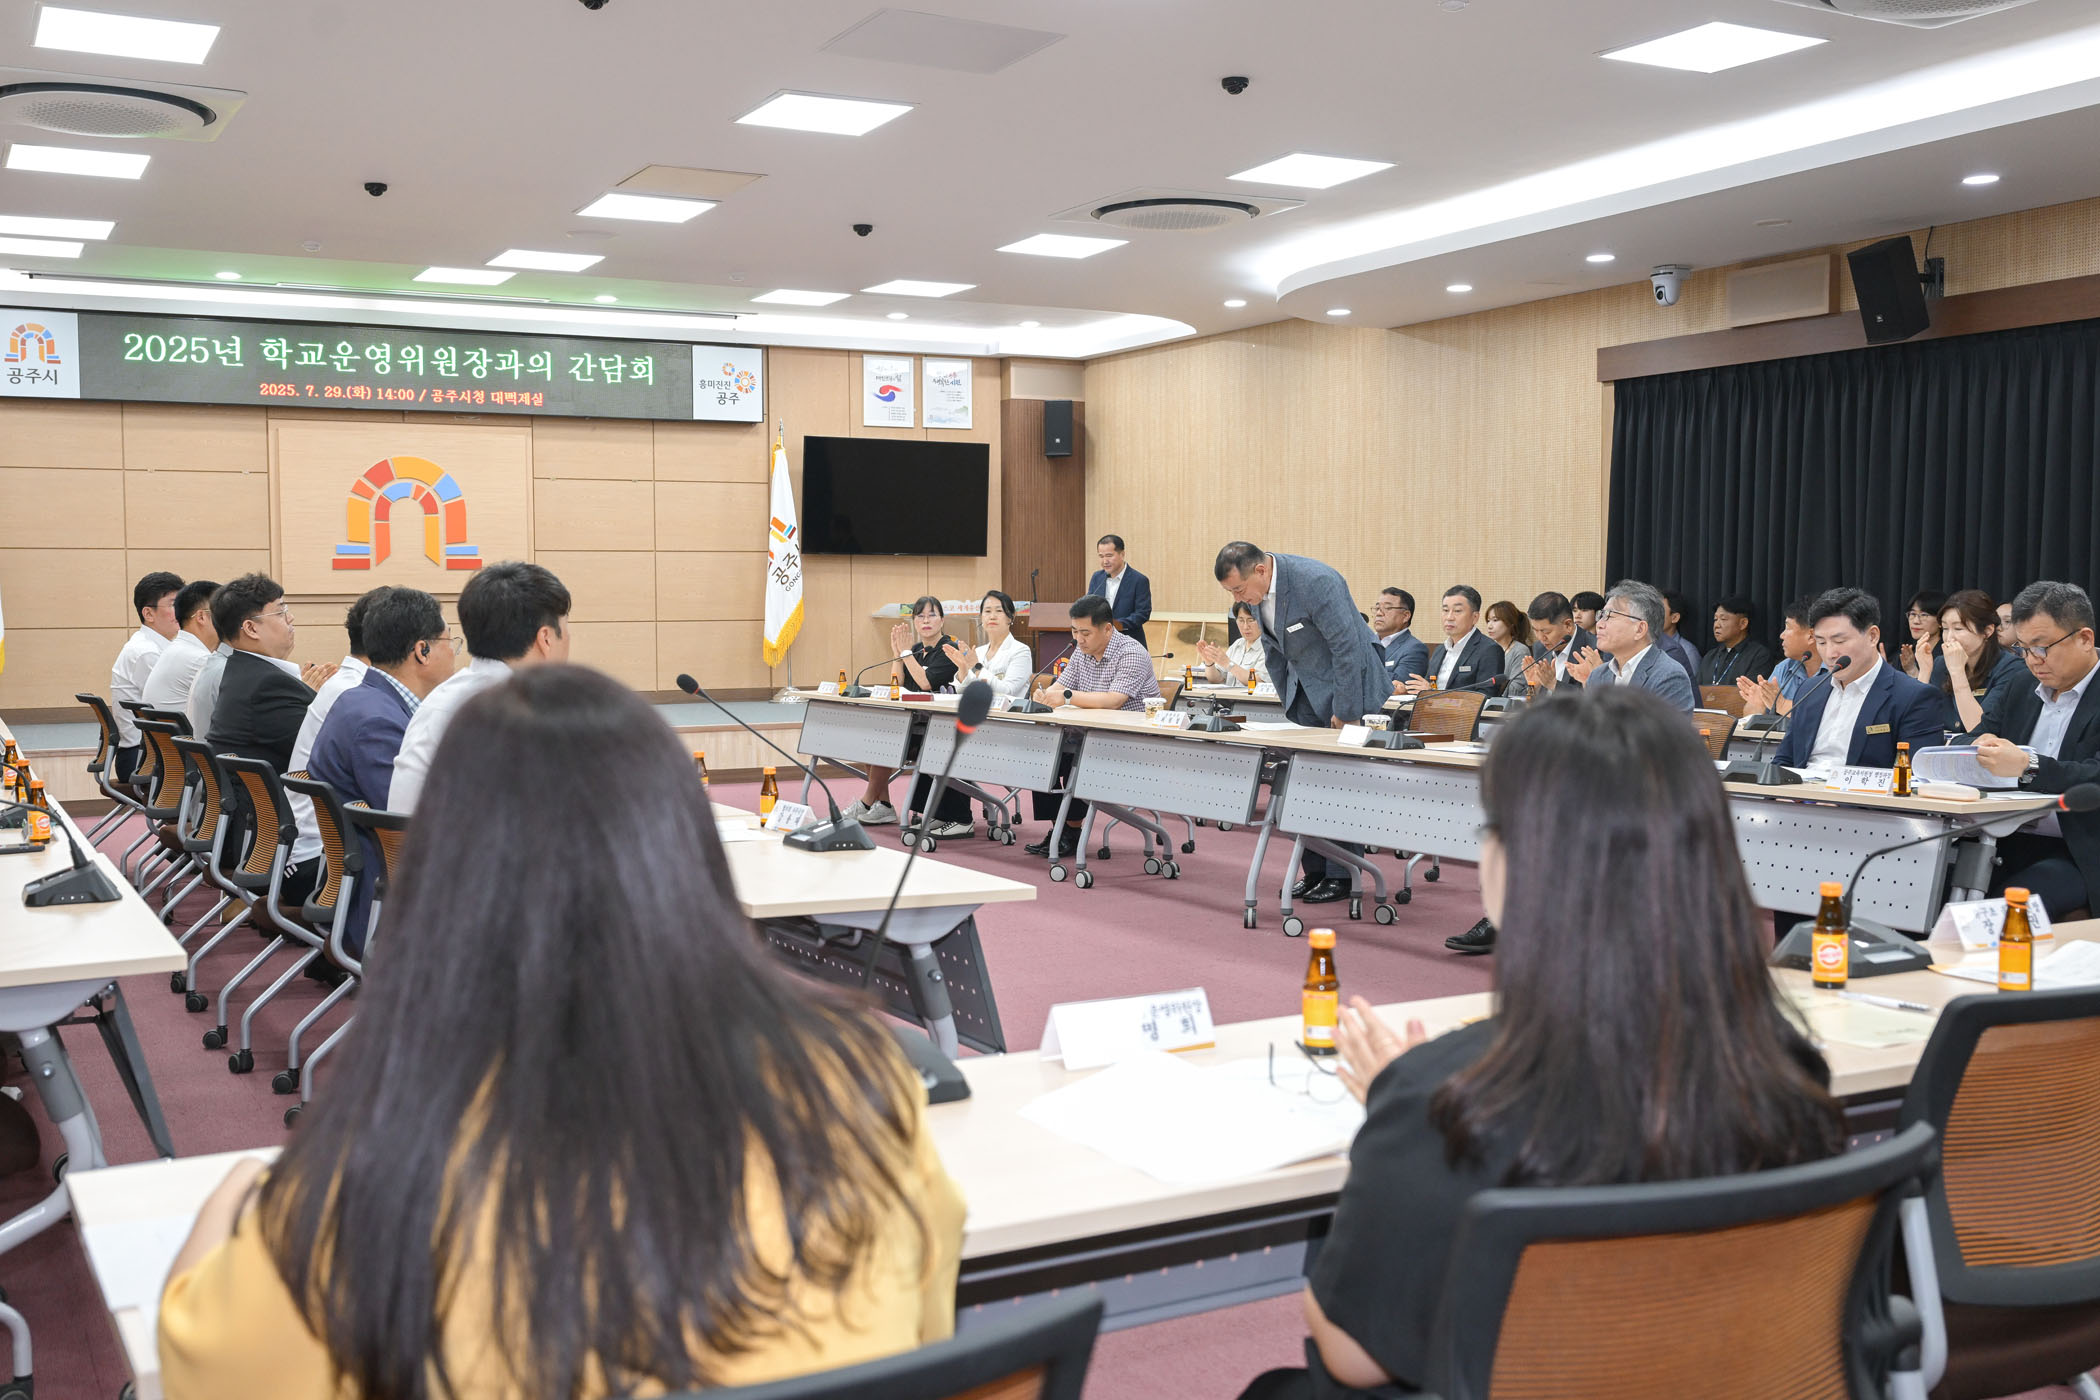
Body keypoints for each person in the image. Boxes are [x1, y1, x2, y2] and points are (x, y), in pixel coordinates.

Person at [158, 665, 965, 1399]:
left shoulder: (355, 1206)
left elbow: (202, 1366)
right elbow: (928, 1329)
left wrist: (239, 1191)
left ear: (446, 869)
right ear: (686, 848)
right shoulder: (861, 1087)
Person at [1237, 688, 1844, 1400]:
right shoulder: (1784, 1061)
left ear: (1515, 865)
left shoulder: (1453, 1100)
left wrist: (1397, 1114)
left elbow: (1355, 1356)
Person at [1215, 542, 1385, 901]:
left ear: (1260, 570)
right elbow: (1274, 649)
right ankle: (1316, 871)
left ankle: (1344, 875)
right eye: (1232, 593)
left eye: (1239, 589)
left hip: (1350, 689)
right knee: (1306, 782)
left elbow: (1347, 648)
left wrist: (1347, 711)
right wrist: (1289, 702)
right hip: (1305, 692)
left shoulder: (1316, 581)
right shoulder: (1256, 592)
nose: (1238, 599)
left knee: (1339, 783)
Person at [306, 588, 455, 953]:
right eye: (450, 641)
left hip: (363, 890)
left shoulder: (361, 700)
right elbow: (412, 826)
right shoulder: (377, 722)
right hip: (381, 909)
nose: (455, 653)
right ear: (422, 650)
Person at [388, 561, 570, 815]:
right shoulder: (518, 711)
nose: (569, 639)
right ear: (546, 638)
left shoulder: (442, 697)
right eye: (566, 627)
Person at [1967, 581, 2100, 920]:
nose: (2032, 661)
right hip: (2001, 837)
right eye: (2023, 649)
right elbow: (1980, 735)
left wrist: (2029, 766)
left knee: (2000, 908)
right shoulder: (2021, 685)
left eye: (2041, 648)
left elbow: (2094, 775)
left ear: (2085, 639)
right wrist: (1978, 747)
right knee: (1937, 886)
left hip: (2079, 847)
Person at [1023, 595, 1162, 858]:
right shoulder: (1081, 652)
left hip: (1129, 742)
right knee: (1044, 750)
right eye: (1074, 631)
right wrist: (1045, 696)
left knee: (1073, 755)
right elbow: (1061, 686)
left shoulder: (1131, 653)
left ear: (1107, 629)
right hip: (1089, 736)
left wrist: (1066, 697)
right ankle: (1061, 829)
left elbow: (1114, 700)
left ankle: (1070, 831)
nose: (1078, 639)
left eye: (1085, 633)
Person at [1772, 588, 1954, 776]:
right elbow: (1784, 761)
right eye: (1822, 642)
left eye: (1839, 641)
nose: (1830, 653)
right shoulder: (1810, 690)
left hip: (1860, 793)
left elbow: (1915, 777)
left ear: (1872, 636)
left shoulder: (1913, 696)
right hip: (1800, 792)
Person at [842, 597, 970, 834]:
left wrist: (905, 653)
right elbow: (897, 683)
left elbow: (925, 683)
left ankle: (866, 802)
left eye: (932, 615)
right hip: (912, 723)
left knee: (886, 741)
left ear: (942, 620)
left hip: (935, 728)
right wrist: (897, 654)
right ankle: (884, 805)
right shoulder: (915, 651)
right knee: (873, 739)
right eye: (920, 616)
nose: (926, 621)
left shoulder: (948, 649)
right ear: (914, 622)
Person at [207, 574, 331, 775]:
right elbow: (329, 749)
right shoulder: (267, 686)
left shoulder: (242, 670)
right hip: (282, 794)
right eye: (281, 612)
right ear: (251, 628)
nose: (290, 618)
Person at [1559, 581, 1695, 711]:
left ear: (1640, 629)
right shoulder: (1598, 675)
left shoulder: (1668, 676)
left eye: (1609, 616)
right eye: (1601, 615)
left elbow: (1663, 729)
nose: (1599, 624)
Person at [110, 570, 182, 779]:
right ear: (149, 614)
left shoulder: (154, 646)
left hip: (147, 753)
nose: (182, 611)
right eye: (174, 604)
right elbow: (175, 708)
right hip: (142, 758)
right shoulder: (147, 652)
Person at [1936, 589, 2026, 734]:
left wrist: (1957, 673)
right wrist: (1925, 671)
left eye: (1958, 628)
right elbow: (1921, 720)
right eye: (1945, 628)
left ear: (1987, 631)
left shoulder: (2011, 669)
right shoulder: (1941, 664)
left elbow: (1980, 730)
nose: (1949, 638)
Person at [1736, 594, 1824, 718]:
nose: (1782, 635)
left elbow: (1824, 717)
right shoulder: (1784, 667)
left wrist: (1781, 704)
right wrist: (1758, 706)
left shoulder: (1837, 670)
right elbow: (1749, 719)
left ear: (1811, 636)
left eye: (1788, 628)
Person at [1405, 586, 1501, 697]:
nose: (1449, 617)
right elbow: (1428, 686)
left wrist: (1433, 694)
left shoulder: (1489, 650)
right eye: (1445, 610)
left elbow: (1484, 697)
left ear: (1475, 617)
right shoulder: (1440, 650)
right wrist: (1407, 690)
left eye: (1457, 611)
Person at [140, 579, 219, 713]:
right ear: (201, 617)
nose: (230, 620)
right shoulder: (199, 659)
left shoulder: (177, 649)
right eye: (223, 612)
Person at [1509, 592, 1592, 700]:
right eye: (1536, 631)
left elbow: (1595, 698)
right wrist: (1533, 686)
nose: (1540, 637)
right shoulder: (1539, 648)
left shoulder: (1592, 649)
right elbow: (1529, 701)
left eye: (1546, 632)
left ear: (1568, 625)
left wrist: (1554, 685)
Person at [1086, 533, 1153, 644]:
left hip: (1129, 642)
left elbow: (1142, 613)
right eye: (1101, 556)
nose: (1105, 561)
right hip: (1100, 643)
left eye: (1109, 556)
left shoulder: (1139, 580)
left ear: (1122, 554)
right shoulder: (1097, 577)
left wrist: (1116, 625)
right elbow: (1089, 606)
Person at [1695, 595, 1774, 688]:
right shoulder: (1710, 656)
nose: (1716, 625)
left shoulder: (1759, 656)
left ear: (1743, 623)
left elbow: (1751, 692)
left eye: (1723, 619)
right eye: (1715, 619)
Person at [1196, 603, 1270, 687]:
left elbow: (1259, 681)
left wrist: (1228, 663)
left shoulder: (1269, 648)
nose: (1245, 627)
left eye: (1251, 620)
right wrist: (1209, 663)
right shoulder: (1237, 644)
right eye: (1241, 621)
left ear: (1262, 621)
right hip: (1229, 695)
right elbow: (1217, 679)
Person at [1369, 587, 1427, 692]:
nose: (1379, 613)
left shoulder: (1415, 649)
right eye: (1377, 608)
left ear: (1406, 616)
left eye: (1387, 608)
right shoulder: (1365, 643)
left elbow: (1399, 685)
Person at [1482, 600, 1533, 694]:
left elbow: (1516, 690)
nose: (1489, 626)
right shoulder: (1486, 649)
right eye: (1488, 621)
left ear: (1510, 623)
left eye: (1495, 620)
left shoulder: (1520, 651)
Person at [1902, 588, 1948, 682]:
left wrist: (1913, 672)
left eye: (1924, 615)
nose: (1916, 621)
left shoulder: (1947, 655)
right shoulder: (1907, 654)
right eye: (1913, 614)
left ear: (1941, 621)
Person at [1657, 589, 1702, 683]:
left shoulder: (1688, 651)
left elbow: (1691, 687)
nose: (1654, 615)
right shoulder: (1645, 645)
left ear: (1674, 618)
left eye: (1659, 611)